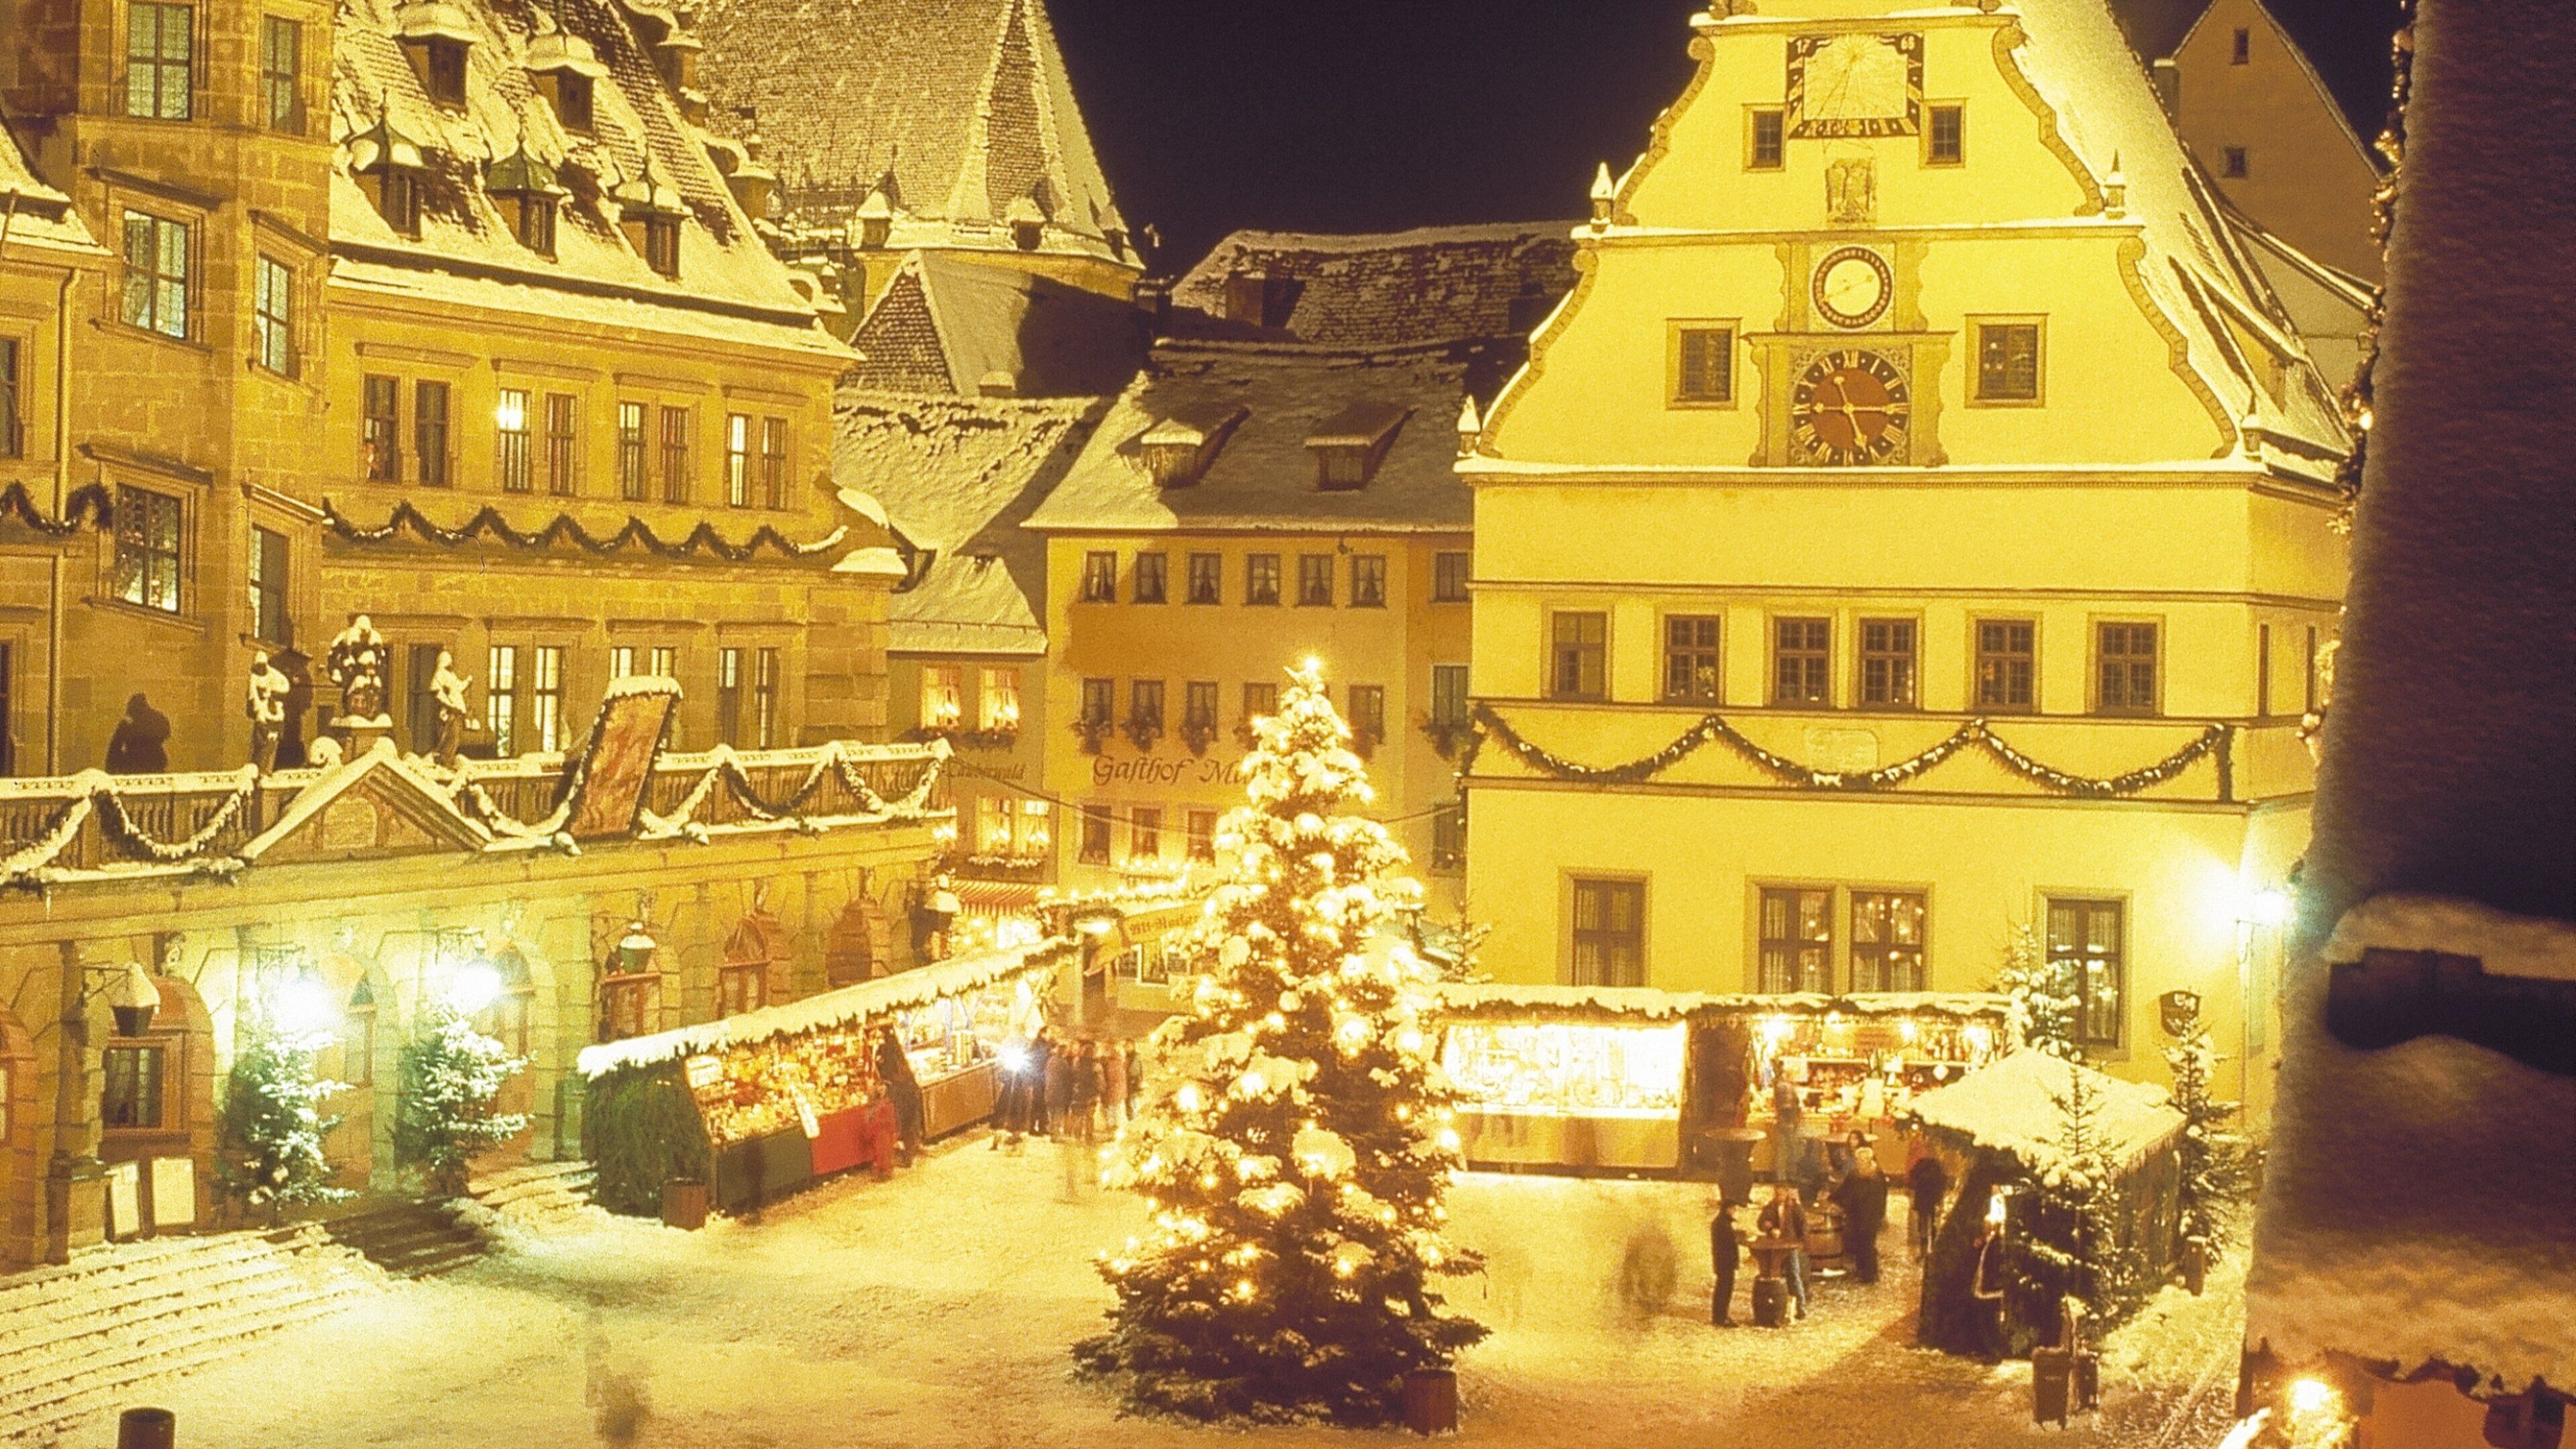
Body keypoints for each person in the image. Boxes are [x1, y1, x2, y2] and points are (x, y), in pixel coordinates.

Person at [1831, 1146, 1891, 1285]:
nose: (1860, 1162)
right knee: (1858, 1243)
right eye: (1859, 1160)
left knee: (1868, 1244)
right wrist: (1833, 1198)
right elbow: (1845, 1190)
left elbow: (1882, 1197)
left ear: (1870, 1160)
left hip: (1870, 1216)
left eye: (1863, 1160)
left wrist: (1879, 1215)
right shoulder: (1854, 1174)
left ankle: (1870, 1274)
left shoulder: (1876, 1176)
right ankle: (1861, 1269)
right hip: (1856, 1214)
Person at [1758, 1181, 1809, 1320]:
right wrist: (1769, 1227)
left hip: (1791, 1246)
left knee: (1794, 1275)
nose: (1779, 1196)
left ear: (1787, 1193)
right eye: (1777, 1194)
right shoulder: (1771, 1207)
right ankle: (1778, 1307)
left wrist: (1801, 1244)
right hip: (1776, 1247)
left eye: (1781, 1193)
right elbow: (1761, 1222)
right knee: (1776, 1275)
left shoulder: (1794, 1207)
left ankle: (1801, 1306)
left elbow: (1803, 1226)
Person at [874, 1027, 923, 1165]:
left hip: (903, 1094)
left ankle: (907, 1157)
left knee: (904, 1124)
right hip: (910, 1092)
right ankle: (910, 1154)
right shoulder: (897, 1054)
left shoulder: (886, 1053)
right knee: (911, 1124)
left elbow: (887, 1073)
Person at [1906, 1142, 1951, 1261]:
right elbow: (1943, 1182)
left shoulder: (1923, 1165)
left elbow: (1913, 1177)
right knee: (1931, 1225)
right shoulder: (1936, 1166)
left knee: (1925, 1225)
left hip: (1924, 1198)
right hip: (1931, 1199)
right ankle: (1929, 1250)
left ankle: (1925, 1251)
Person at [1709, 1196, 1742, 1327]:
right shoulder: (1723, 1224)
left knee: (1721, 1289)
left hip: (1721, 1262)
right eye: (1734, 1209)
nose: (1735, 1211)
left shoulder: (1719, 1223)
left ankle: (1719, 1316)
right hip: (1726, 1263)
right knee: (1724, 1290)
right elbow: (1728, 1243)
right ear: (1728, 1209)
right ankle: (1721, 1318)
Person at [1043, 1028, 1074, 1140]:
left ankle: (1052, 1132)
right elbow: (1067, 1079)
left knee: (1051, 1114)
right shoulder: (1063, 1063)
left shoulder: (1051, 1061)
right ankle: (1055, 1135)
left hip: (1049, 1092)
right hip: (1059, 1094)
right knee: (1058, 1115)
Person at [1100, 1036, 1129, 1134]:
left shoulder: (1113, 1063)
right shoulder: (1119, 1061)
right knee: (1115, 1111)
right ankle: (1114, 1130)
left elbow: (1112, 1078)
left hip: (1113, 1092)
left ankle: (1113, 1131)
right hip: (1117, 1092)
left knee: (1113, 1112)